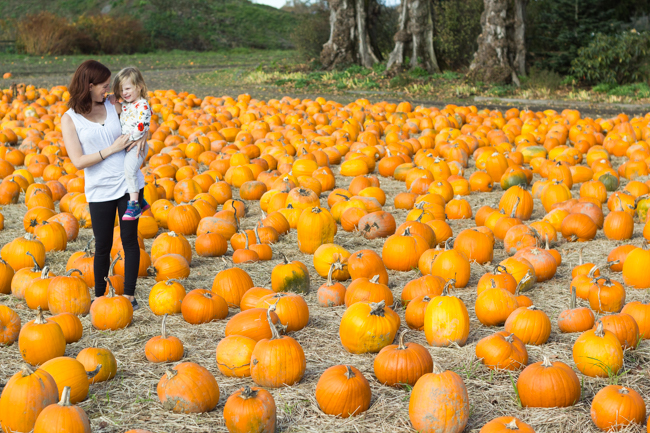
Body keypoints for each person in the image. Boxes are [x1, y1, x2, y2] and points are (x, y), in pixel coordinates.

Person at [61, 60, 148, 310]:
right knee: (103, 245)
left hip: (128, 185)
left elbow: (141, 119)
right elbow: (78, 161)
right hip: (99, 189)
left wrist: (144, 137)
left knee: (130, 240)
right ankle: (100, 297)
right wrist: (111, 149)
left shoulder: (113, 105)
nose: (109, 90)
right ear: (89, 86)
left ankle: (130, 295)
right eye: (104, 85)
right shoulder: (70, 119)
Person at [112, 67, 151, 220]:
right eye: (121, 90)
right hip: (129, 145)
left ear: (139, 86)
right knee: (129, 172)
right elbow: (117, 107)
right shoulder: (127, 104)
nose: (124, 93)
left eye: (127, 88)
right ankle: (141, 200)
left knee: (129, 170)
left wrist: (124, 141)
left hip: (136, 145)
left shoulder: (143, 105)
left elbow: (141, 127)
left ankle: (134, 205)